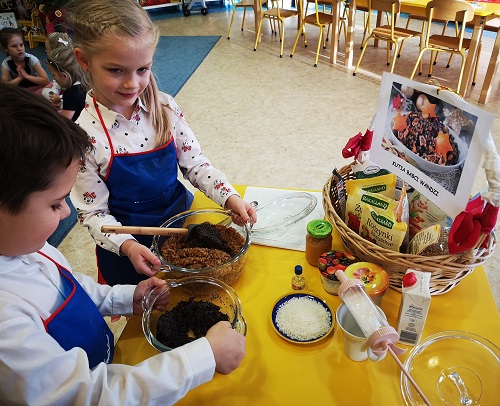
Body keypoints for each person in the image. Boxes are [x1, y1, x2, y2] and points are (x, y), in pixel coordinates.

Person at [0, 83, 246, 405]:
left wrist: (125, 298)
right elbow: (91, 396)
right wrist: (205, 358)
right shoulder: (6, 324)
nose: (66, 213)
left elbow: (70, 290)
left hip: (107, 361)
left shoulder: (29, 248)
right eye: (56, 203)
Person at [69, 0, 257, 286]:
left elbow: (195, 164)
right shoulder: (83, 139)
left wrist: (229, 197)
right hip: (129, 247)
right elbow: (94, 214)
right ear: (84, 60)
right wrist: (128, 246)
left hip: (182, 226)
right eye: (116, 70)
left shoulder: (165, 107)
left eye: (142, 69)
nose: (132, 84)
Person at [46, 46, 88, 121]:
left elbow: (65, 121)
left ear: (64, 76)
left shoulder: (70, 94)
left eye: (53, 75)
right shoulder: (84, 81)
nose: (54, 79)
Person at [41, 31, 72, 103]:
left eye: (47, 49)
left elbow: (75, 92)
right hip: (66, 92)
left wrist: (59, 98)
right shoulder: (56, 64)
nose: (46, 51)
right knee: (46, 92)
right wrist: (54, 95)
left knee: (44, 92)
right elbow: (56, 85)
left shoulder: (61, 66)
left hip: (72, 97)